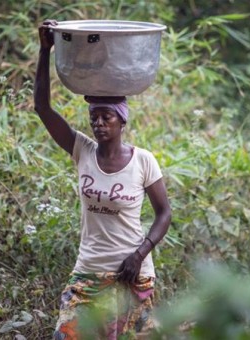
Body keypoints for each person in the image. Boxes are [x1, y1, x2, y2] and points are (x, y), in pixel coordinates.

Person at [34, 20, 172, 339]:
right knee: (64, 335)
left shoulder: (143, 160)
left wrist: (140, 254)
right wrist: (45, 50)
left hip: (132, 273)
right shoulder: (82, 149)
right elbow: (42, 107)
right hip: (88, 273)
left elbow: (164, 213)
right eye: (94, 117)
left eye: (106, 117)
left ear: (121, 121)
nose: (98, 123)